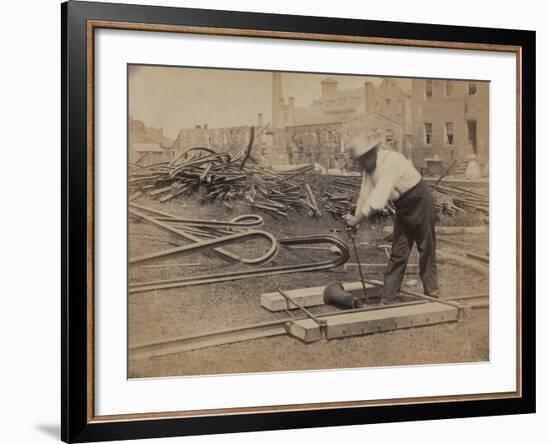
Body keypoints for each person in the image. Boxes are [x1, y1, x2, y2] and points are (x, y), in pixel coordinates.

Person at [343, 132, 439, 304]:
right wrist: (355, 223)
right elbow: (365, 195)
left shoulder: (390, 161)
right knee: (398, 252)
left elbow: (379, 198)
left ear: (370, 154)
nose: (361, 165)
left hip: (419, 200)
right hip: (403, 206)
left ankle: (432, 294)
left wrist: (357, 219)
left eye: (362, 160)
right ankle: (388, 299)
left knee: (426, 248)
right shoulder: (369, 170)